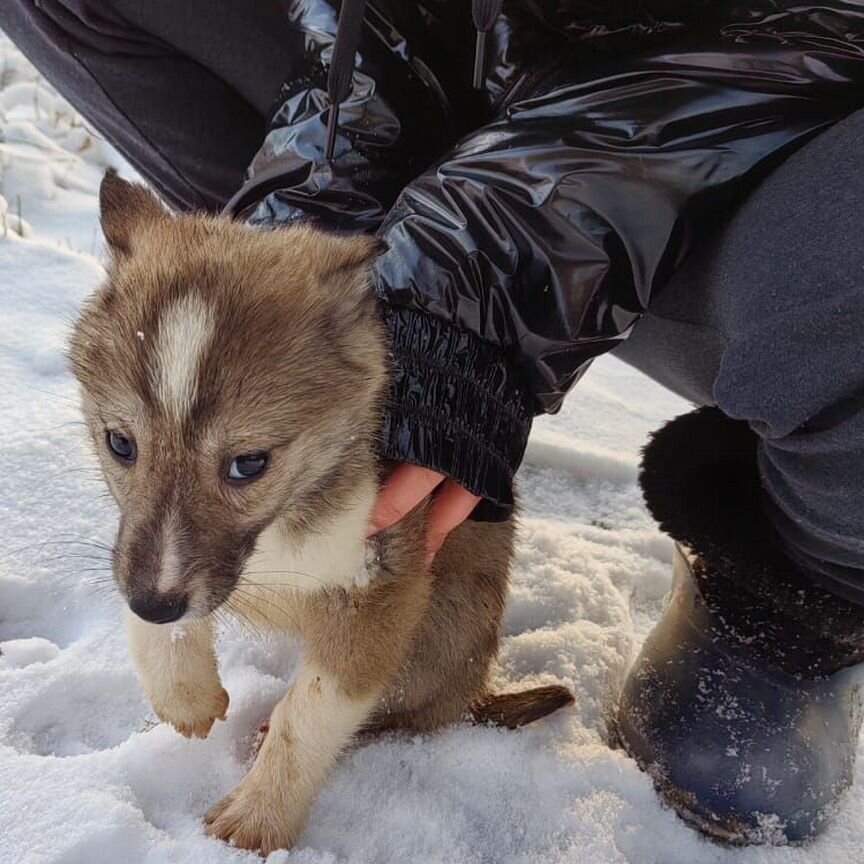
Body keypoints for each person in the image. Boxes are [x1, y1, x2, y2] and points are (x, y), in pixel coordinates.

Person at [3, 0, 863, 844]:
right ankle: (280, 292)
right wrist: (322, 186)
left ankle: (792, 601)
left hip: (773, 113)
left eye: (242, 463)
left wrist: (483, 264)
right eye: (121, 447)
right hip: (475, 63)